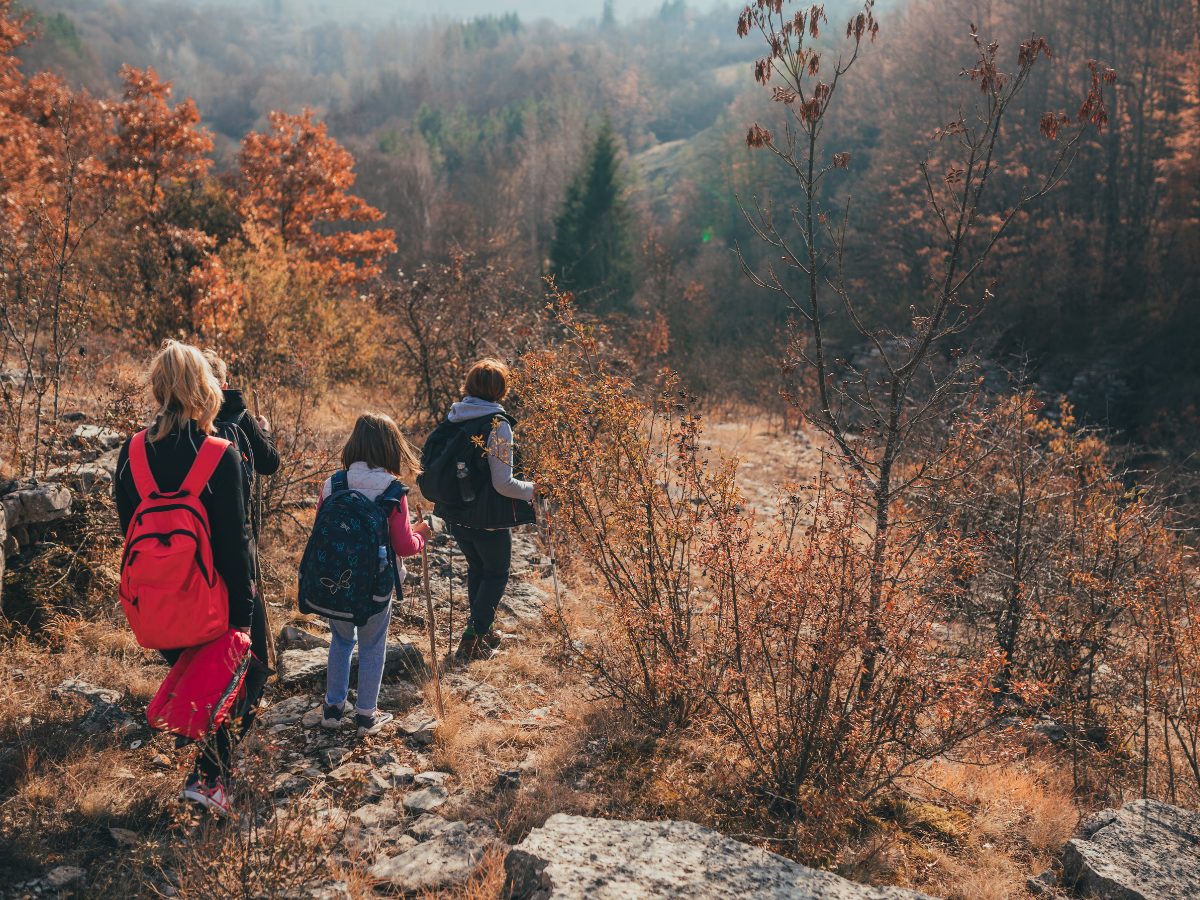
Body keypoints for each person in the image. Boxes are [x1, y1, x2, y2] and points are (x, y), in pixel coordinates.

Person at [115, 340, 260, 815]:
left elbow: (130, 530)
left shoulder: (131, 452)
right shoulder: (220, 454)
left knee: (202, 685)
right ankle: (210, 780)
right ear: (206, 388)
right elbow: (235, 544)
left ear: (159, 389)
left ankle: (208, 774)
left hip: (156, 606)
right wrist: (243, 613)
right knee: (247, 678)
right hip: (213, 601)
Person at [316, 413, 432, 736]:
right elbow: (404, 545)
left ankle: (333, 708)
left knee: (340, 640)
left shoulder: (333, 484)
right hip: (376, 587)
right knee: (372, 647)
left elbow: (319, 532)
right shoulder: (393, 490)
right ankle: (366, 715)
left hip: (336, 583)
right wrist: (422, 534)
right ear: (391, 449)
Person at [433, 359, 538, 662]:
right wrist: (533, 490)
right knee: (496, 574)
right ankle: (472, 638)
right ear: (501, 389)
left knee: (478, 570)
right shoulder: (497, 424)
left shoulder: (456, 416)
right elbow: (503, 484)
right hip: (487, 519)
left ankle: (484, 631)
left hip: (455, 513)